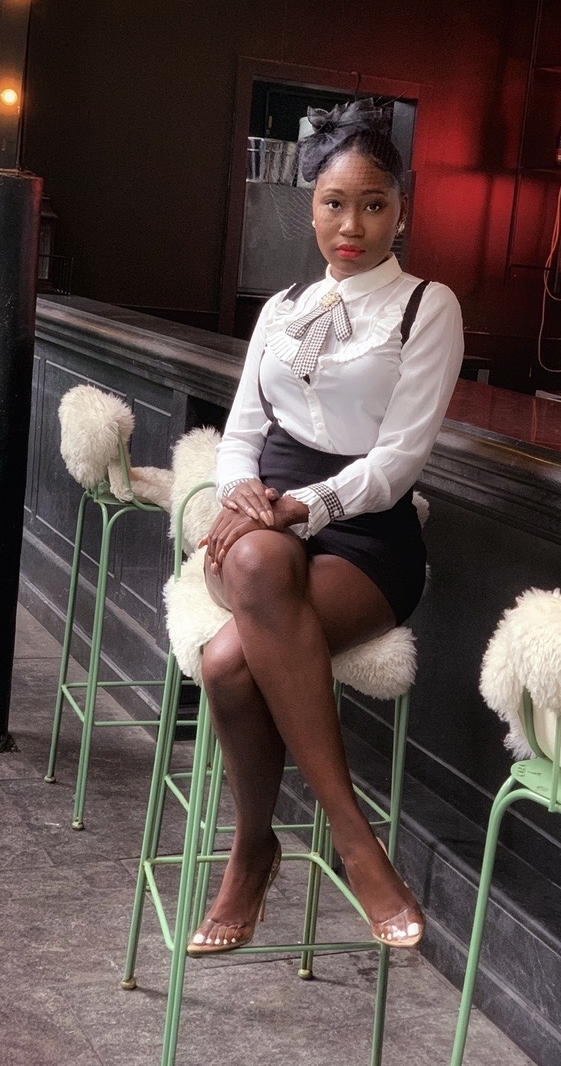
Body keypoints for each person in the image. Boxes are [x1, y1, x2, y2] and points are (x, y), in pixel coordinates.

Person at [187, 98, 464, 956]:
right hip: (260, 523)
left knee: (227, 663)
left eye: (373, 204)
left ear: (400, 211)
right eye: (334, 204)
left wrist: (306, 505)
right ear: (309, 208)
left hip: (367, 534)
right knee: (258, 564)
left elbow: (399, 460)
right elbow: (241, 433)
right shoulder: (280, 307)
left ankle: (253, 852)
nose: (352, 225)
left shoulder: (426, 307)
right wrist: (242, 495)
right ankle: (355, 840)